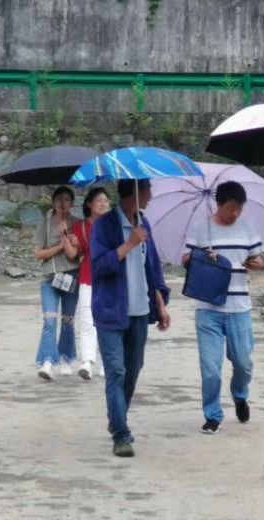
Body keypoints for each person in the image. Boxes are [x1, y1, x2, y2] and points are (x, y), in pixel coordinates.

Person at [90, 178, 171, 457]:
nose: (151, 196)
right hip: (111, 311)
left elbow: (153, 269)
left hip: (139, 311)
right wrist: (129, 244)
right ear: (134, 193)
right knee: (116, 370)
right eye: (148, 190)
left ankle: (116, 419)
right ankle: (121, 435)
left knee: (134, 368)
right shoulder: (104, 225)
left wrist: (160, 305)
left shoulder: (143, 223)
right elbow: (99, 266)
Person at [182, 181, 264, 434]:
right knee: (210, 369)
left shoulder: (247, 226)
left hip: (240, 308)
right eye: (230, 208)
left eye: (239, 208)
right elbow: (185, 260)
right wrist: (202, 257)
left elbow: (258, 259)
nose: (235, 213)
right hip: (208, 308)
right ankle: (212, 415)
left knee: (243, 363)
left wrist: (256, 264)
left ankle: (239, 394)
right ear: (219, 204)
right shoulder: (201, 228)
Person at [33, 185, 79, 380]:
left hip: (70, 276)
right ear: (53, 202)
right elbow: (38, 254)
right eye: (59, 199)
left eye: (67, 199)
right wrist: (59, 246)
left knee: (68, 320)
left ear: (72, 203)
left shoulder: (77, 224)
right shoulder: (44, 224)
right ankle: (47, 361)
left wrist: (66, 237)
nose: (63, 203)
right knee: (49, 319)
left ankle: (66, 358)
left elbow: (74, 254)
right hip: (49, 278)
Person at [71, 187, 111, 380]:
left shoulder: (113, 224)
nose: (103, 204)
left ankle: (107, 362)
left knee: (108, 320)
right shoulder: (80, 226)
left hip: (110, 276)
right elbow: (76, 253)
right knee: (87, 318)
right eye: (99, 200)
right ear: (89, 204)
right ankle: (87, 361)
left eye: (106, 201)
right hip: (88, 275)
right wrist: (73, 242)